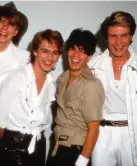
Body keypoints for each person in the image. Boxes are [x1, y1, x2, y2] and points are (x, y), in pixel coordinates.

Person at [89, 11, 137, 166]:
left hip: (134, 134)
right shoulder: (92, 67)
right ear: (106, 37)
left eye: (124, 35)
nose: (119, 42)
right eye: (113, 36)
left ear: (132, 36)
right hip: (102, 135)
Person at [0, 29, 64, 166]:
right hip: (11, 146)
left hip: (38, 145)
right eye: (45, 51)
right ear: (35, 51)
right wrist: (11, 143)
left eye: (55, 53)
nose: (50, 58)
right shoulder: (18, 77)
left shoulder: (51, 84)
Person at [46, 28, 105, 166]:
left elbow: (94, 128)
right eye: (73, 48)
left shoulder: (91, 85)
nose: (75, 54)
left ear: (89, 56)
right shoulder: (62, 79)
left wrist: (83, 161)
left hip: (76, 150)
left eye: (82, 51)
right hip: (57, 147)